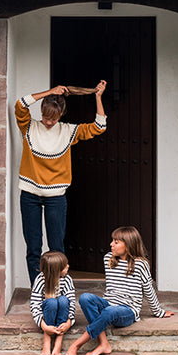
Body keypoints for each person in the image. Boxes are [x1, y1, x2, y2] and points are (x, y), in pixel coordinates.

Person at [15, 81, 107, 284]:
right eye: (47, 117)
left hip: (56, 198)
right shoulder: (29, 126)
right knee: (33, 247)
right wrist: (50, 91)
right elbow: (21, 104)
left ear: (61, 115)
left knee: (57, 248)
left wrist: (98, 97)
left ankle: (56, 289)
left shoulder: (68, 131)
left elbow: (100, 127)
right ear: (42, 113)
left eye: (54, 118)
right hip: (29, 195)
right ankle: (38, 290)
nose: (49, 122)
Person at [65, 225, 174, 355]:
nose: (111, 244)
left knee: (110, 311)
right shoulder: (108, 259)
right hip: (109, 303)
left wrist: (159, 312)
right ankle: (104, 343)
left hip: (127, 311)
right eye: (112, 241)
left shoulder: (140, 264)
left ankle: (76, 345)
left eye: (116, 242)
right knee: (85, 298)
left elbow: (148, 289)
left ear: (128, 246)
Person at [30, 250, 75, 355]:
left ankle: (59, 340)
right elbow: (35, 305)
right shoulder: (41, 280)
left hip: (62, 314)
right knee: (51, 302)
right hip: (48, 314)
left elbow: (71, 302)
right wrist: (44, 326)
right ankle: (47, 339)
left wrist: (69, 322)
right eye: (64, 266)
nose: (68, 266)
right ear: (55, 271)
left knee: (63, 300)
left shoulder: (67, 279)